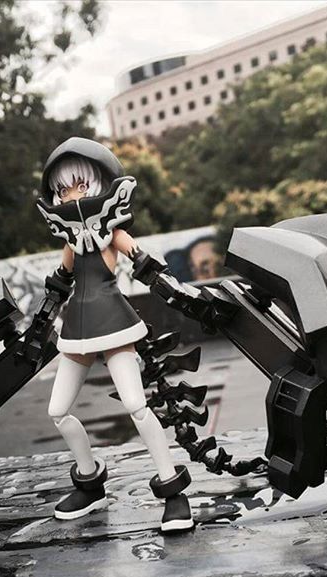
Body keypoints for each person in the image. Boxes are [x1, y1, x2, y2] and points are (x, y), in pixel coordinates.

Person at [36, 137, 193, 532]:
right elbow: (60, 282)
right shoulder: (71, 241)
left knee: (138, 407)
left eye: (80, 186)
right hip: (76, 330)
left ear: (101, 185)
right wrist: (42, 318)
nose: (71, 195)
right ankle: (89, 483)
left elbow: (146, 266)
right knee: (58, 412)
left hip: (114, 326)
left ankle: (173, 492)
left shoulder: (112, 233)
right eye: (62, 190)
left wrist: (178, 293)